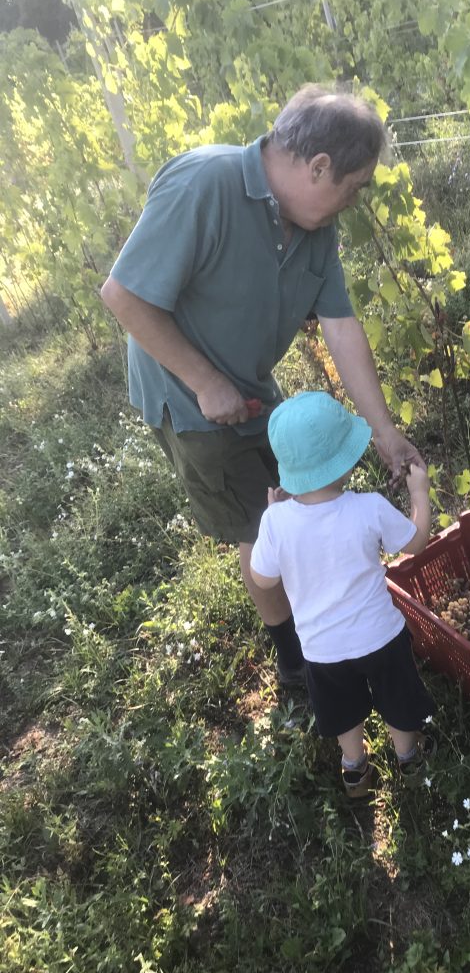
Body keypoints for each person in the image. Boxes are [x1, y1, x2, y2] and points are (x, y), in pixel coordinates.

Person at [100, 84, 424, 687]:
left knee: (296, 496)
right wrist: (204, 382)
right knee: (262, 522)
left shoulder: (314, 226)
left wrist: (384, 431)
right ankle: (296, 663)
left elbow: (341, 326)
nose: (353, 202)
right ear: (319, 166)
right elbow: (123, 296)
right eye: (353, 188)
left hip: (250, 386)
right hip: (188, 395)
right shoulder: (205, 184)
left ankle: (311, 622)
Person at [250, 392, 435, 797]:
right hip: (380, 638)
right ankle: (408, 757)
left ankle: (354, 769)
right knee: (397, 699)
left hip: (322, 651)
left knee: (344, 713)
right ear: (346, 462)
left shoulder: (276, 522)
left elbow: (262, 581)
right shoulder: (369, 507)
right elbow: (416, 543)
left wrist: (273, 517)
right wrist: (419, 493)